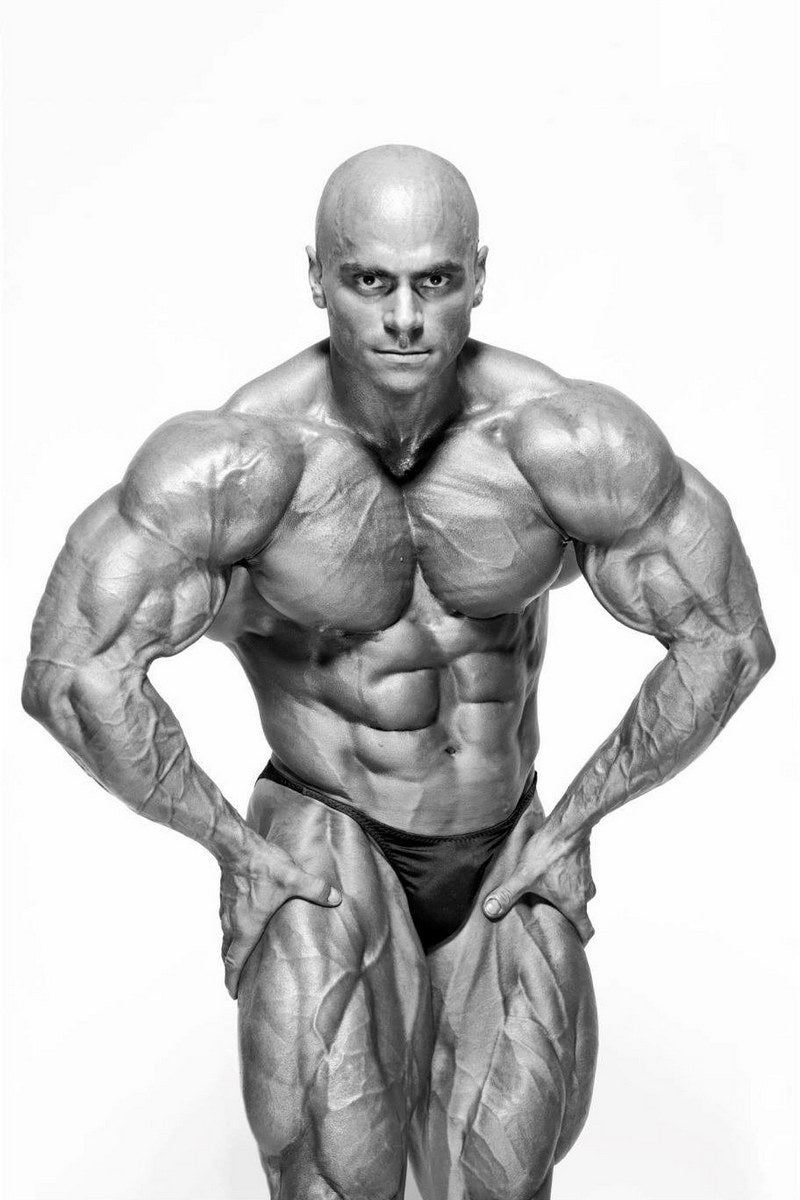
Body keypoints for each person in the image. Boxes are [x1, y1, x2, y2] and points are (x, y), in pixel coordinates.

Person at [22, 144, 774, 1200]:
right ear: (316, 277)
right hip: (332, 834)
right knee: (338, 1177)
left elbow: (726, 638)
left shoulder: (558, 440)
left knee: (503, 1177)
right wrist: (232, 848)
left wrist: (575, 822)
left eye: (435, 281)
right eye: (370, 281)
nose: (404, 318)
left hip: (504, 837)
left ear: (479, 276)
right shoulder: (247, 464)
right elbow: (73, 671)